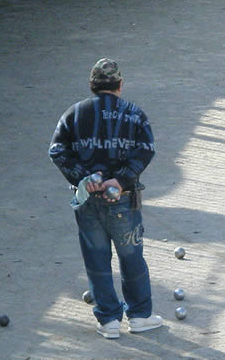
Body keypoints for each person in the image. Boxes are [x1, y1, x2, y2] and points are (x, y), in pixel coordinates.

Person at [48, 58, 162, 339]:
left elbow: (57, 151)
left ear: (92, 86)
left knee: (96, 258)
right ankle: (139, 316)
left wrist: (83, 178)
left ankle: (109, 320)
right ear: (120, 86)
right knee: (131, 255)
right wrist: (120, 179)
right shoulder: (135, 115)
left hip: (87, 199)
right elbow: (146, 150)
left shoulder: (73, 114)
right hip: (123, 198)